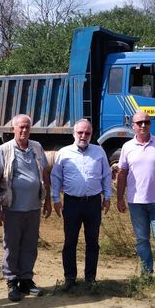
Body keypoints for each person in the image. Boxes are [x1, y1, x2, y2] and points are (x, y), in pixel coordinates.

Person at [0, 114, 52, 302]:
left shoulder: (37, 147)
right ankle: (11, 282)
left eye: (27, 127)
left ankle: (26, 280)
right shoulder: (4, 150)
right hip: (12, 208)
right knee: (11, 245)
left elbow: (44, 174)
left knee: (30, 245)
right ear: (13, 129)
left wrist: (48, 200)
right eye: (21, 127)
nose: (24, 130)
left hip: (33, 207)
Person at [116, 110, 155, 281]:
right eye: (139, 123)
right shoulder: (127, 147)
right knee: (142, 240)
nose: (143, 125)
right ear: (133, 126)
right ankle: (146, 274)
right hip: (136, 202)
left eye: (147, 122)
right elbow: (122, 173)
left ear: (150, 124)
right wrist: (119, 198)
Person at [51, 119, 112, 291]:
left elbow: (106, 175)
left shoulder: (99, 152)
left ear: (91, 134)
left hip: (93, 203)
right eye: (80, 133)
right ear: (74, 133)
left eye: (87, 133)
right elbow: (56, 177)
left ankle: (90, 278)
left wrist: (107, 197)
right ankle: (70, 278)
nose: (83, 136)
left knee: (92, 242)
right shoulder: (64, 153)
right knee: (70, 241)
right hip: (71, 203)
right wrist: (56, 199)